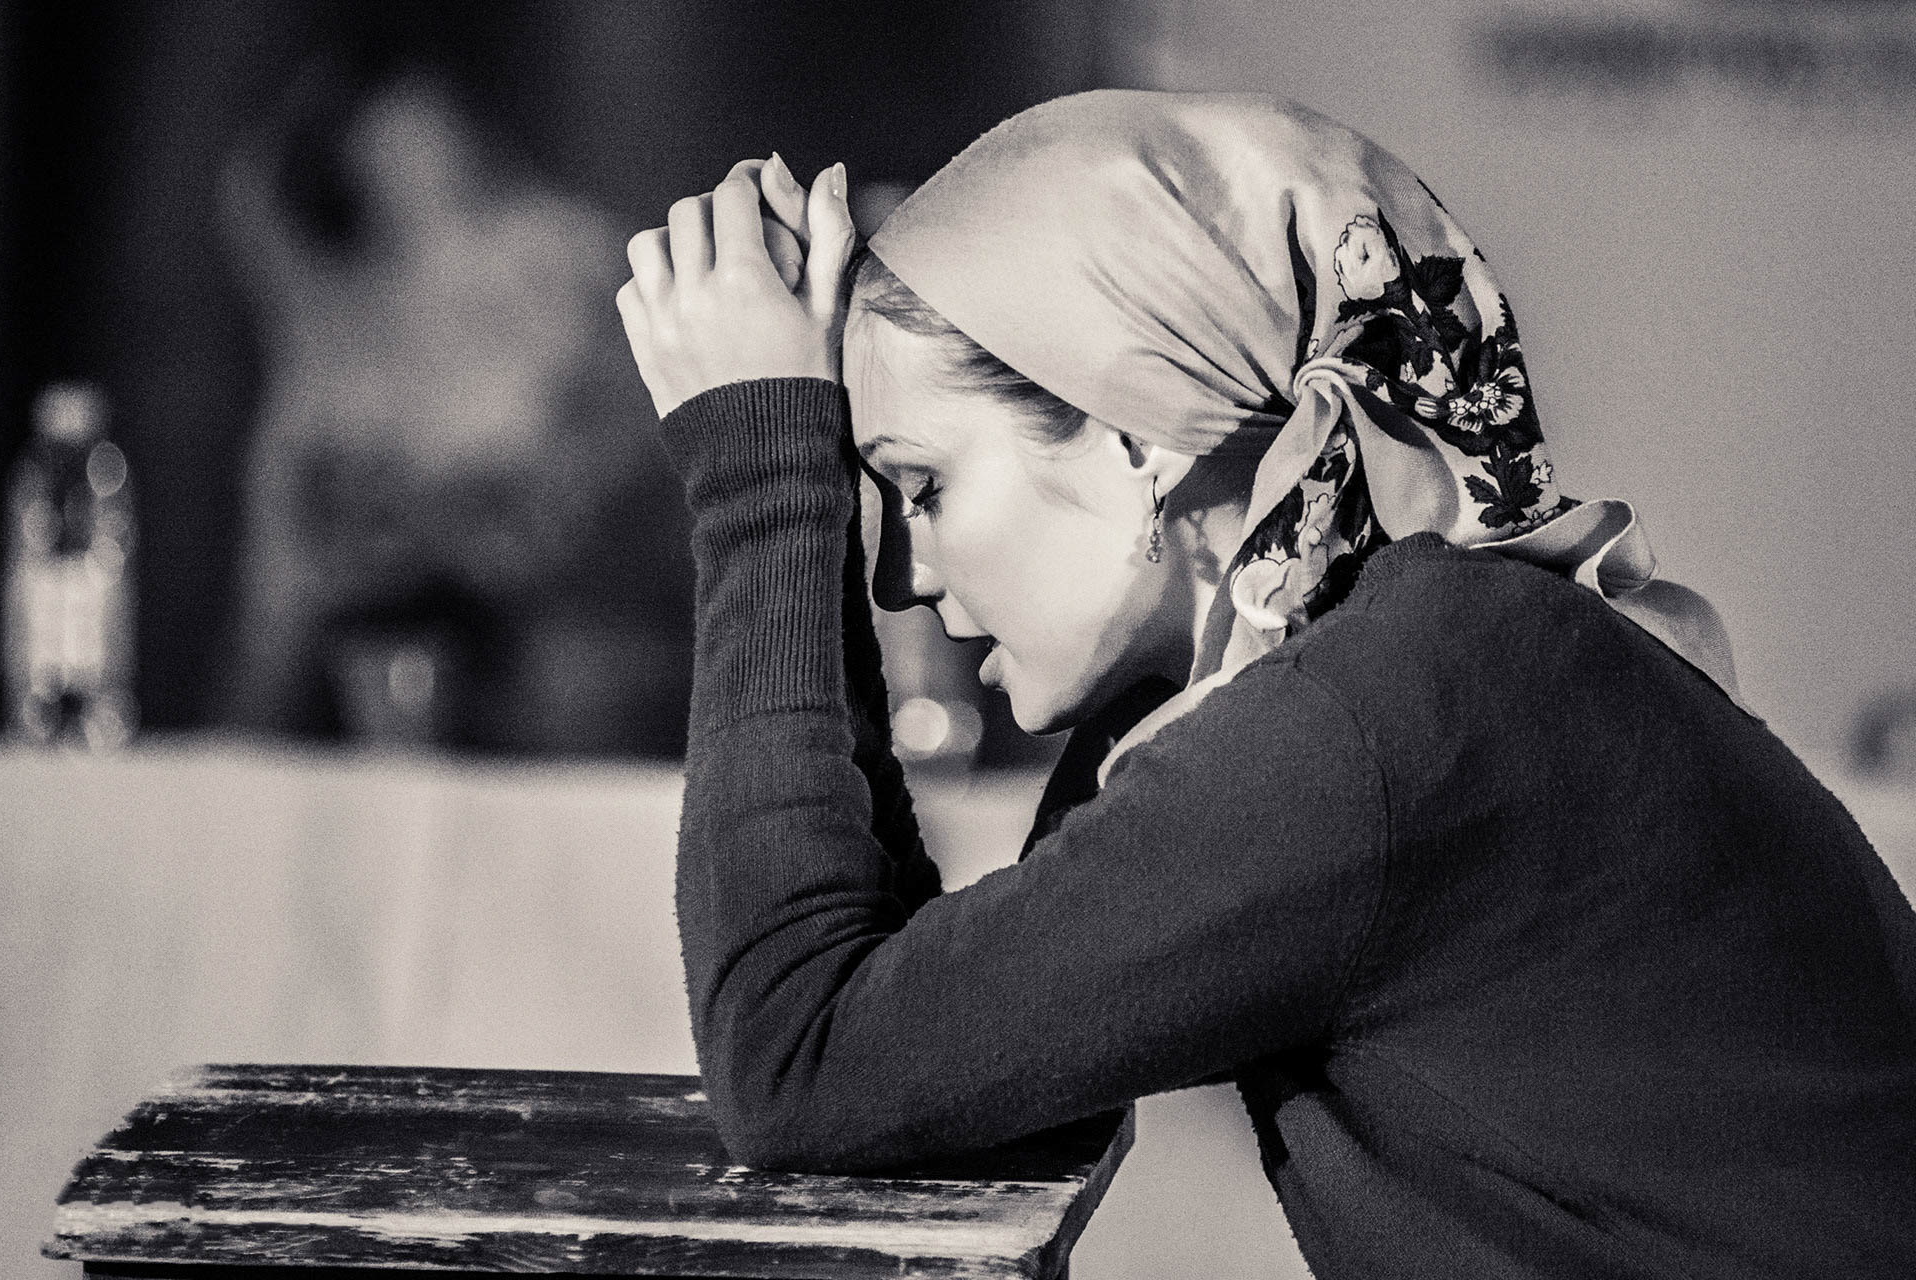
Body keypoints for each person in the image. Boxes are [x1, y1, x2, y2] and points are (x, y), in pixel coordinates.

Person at [615, 91, 1916, 1278]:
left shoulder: (1377, 715)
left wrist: (763, 481)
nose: (898, 579)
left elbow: (799, 1066)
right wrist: (797, 512)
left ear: (1136, 441)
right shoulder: (1400, 660)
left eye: (923, 485)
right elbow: (916, 1059)